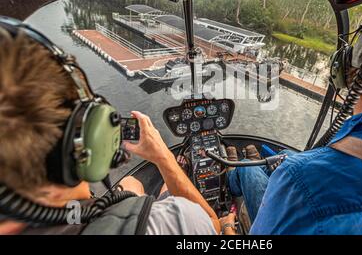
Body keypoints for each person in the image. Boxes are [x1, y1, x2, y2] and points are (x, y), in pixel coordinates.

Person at [226, 5, 362, 234]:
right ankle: (247, 162)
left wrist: (226, 231)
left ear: (342, 69)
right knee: (289, 160)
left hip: (299, 182)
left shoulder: (298, 176)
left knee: (253, 170)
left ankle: (234, 172)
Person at [0, 25, 222, 235]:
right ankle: (180, 174)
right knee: (152, 185)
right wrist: (164, 157)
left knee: (130, 184)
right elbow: (213, 224)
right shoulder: (172, 222)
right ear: (90, 133)